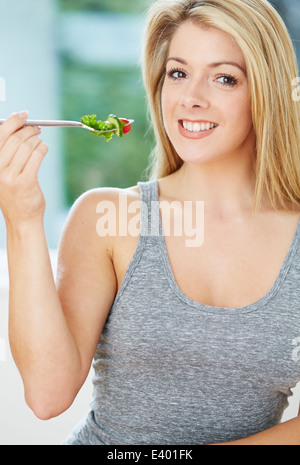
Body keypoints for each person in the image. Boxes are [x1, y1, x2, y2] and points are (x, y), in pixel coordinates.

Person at [1, 0, 300, 445]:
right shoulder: (111, 218)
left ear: (267, 90)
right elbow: (47, 395)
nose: (191, 97)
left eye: (224, 78)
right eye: (178, 73)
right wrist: (22, 218)